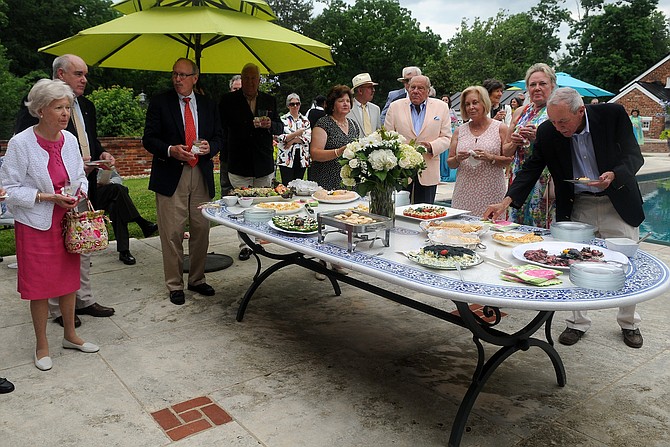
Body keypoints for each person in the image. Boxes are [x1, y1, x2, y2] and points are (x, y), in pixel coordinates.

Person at [484, 87, 645, 349]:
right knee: (574, 263)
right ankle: (577, 322)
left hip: (617, 201)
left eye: (563, 122)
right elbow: (532, 167)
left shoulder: (612, 115)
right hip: (578, 205)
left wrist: (614, 174)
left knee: (626, 262)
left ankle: (629, 322)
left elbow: (633, 156)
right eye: (554, 121)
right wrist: (505, 201)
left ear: (580, 111)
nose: (558, 128)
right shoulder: (549, 131)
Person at [2, 79, 100, 371]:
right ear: (41, 110)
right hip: (35, 223)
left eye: (67, 107)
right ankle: (42, 344)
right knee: (40, 287)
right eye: (58, 107)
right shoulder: (20, 143)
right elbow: (8, 189)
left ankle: (70, 335)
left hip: (67, 221)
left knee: (69, 282)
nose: (65, 113)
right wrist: (46, 197)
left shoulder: (69, 140)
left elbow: (80, 177)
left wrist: (78, 193)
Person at [15, 54, 115, 328]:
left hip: (80, 188)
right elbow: (30, 149)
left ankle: (82, 299)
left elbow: (88, 140)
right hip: (45, 201)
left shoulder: (86, 105)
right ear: (61, 74)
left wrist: (101, 153)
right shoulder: (38, 106)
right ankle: (56, 309)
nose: (85, 79)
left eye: (85, 74)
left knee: (80, 246)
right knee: (51, 258)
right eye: (79, 74)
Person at [142, 58, 223, 305]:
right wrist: (169, 149)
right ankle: (175, 284)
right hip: (170, 174)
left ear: (195, 78)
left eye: (183, 75)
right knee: (172, 231)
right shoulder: (160, 102)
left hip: (200, 171)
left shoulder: (208, 105)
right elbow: (149, 139)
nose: (178, 79)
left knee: (201, 228)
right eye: (175, 74)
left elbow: (220, 137)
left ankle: (197, 279)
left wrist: (211, 147)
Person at [219, 62, 283, 261]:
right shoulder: (228, 100)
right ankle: (244, 244)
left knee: (261, 204)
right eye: (246, 78)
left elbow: (280, 128)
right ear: (241, 78)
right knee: (243, 205)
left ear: (259, 80)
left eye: (253, 78)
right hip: (238, 162)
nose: (249, 82)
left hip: (263, 162)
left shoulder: (268, 100)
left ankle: (258, 238)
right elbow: (220, 129)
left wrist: (269, 124)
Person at [502, 63, 557, 228]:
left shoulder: (557, 111)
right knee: (514, 225)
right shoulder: (520, 112)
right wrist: (515, 141)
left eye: (542, 84)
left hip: (545, 178)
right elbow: (505, 150)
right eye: (533, 84)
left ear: (552, 86)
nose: (537, 88)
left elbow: (565, 147)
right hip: (519, 176)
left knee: (540, 225)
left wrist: (537, 138)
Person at [384, 75, 451, 204]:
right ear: (408, 89)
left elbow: (447, 137)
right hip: (400, 170)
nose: (415, 91)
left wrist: (431, 146)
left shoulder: (441, 107)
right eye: (412, 87)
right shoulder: (394, 107)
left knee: (424, 212)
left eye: (420, 88)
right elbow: (387, 137)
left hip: (428, 168)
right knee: (399, 210)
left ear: (428, 91)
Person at [447, 86, 509, 215]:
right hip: (463, 193)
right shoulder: (460, 131)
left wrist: (490, 157)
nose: (471, 107)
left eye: (475, 102)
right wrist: (458, 158)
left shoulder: (500, 128)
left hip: (491, 193)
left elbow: (509, 161)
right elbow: (450, 163)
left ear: (484, 103)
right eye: (467, 104)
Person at [96, 169, 158, 265]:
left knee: (116, 205)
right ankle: (142, 223)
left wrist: (109, 182)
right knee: (119, 190)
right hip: (87, 196)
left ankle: (124, 251)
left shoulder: (101, 156)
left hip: (108, 194)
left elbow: (117, 177)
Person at [308, 84, 360, 190]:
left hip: (348, 183)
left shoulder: (353, 125)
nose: (345, 104)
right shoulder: (323, 124)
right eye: (341, 101)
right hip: (326, 181)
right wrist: (338, 152)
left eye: (348, 101)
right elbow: (315, 154)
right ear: (332, 105)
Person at [276, 93, 311, 184]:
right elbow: (280, 138)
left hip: (301, 157)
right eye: (292, 104)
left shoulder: (305, 120)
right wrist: (297, 133)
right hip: (286, 157)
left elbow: (308, 137)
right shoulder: (282, 119)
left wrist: (293, 140)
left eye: (297, 103)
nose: (295, 106)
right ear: (288, 105)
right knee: (287, 184)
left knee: (298, 184)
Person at [219, 75, 242, 197]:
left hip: (245, 158)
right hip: (227, 155)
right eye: (235, 89)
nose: (237, 93)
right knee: (227, 188)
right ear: (230, 90)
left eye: (240, 89)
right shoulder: (223, 106)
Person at [347, 73, 381, 137]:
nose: (373, 90)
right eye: (370, 87)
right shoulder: (348, 108)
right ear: (360, 90)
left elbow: (378, 132)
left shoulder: (376, 109)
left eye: (373, 87)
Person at [440, 94, 459, 182]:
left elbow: (456, 120)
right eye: (443, 100)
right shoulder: (439, 111)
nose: (444, 102)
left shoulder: (452, 111)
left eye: (446, 100)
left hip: (451, 131)